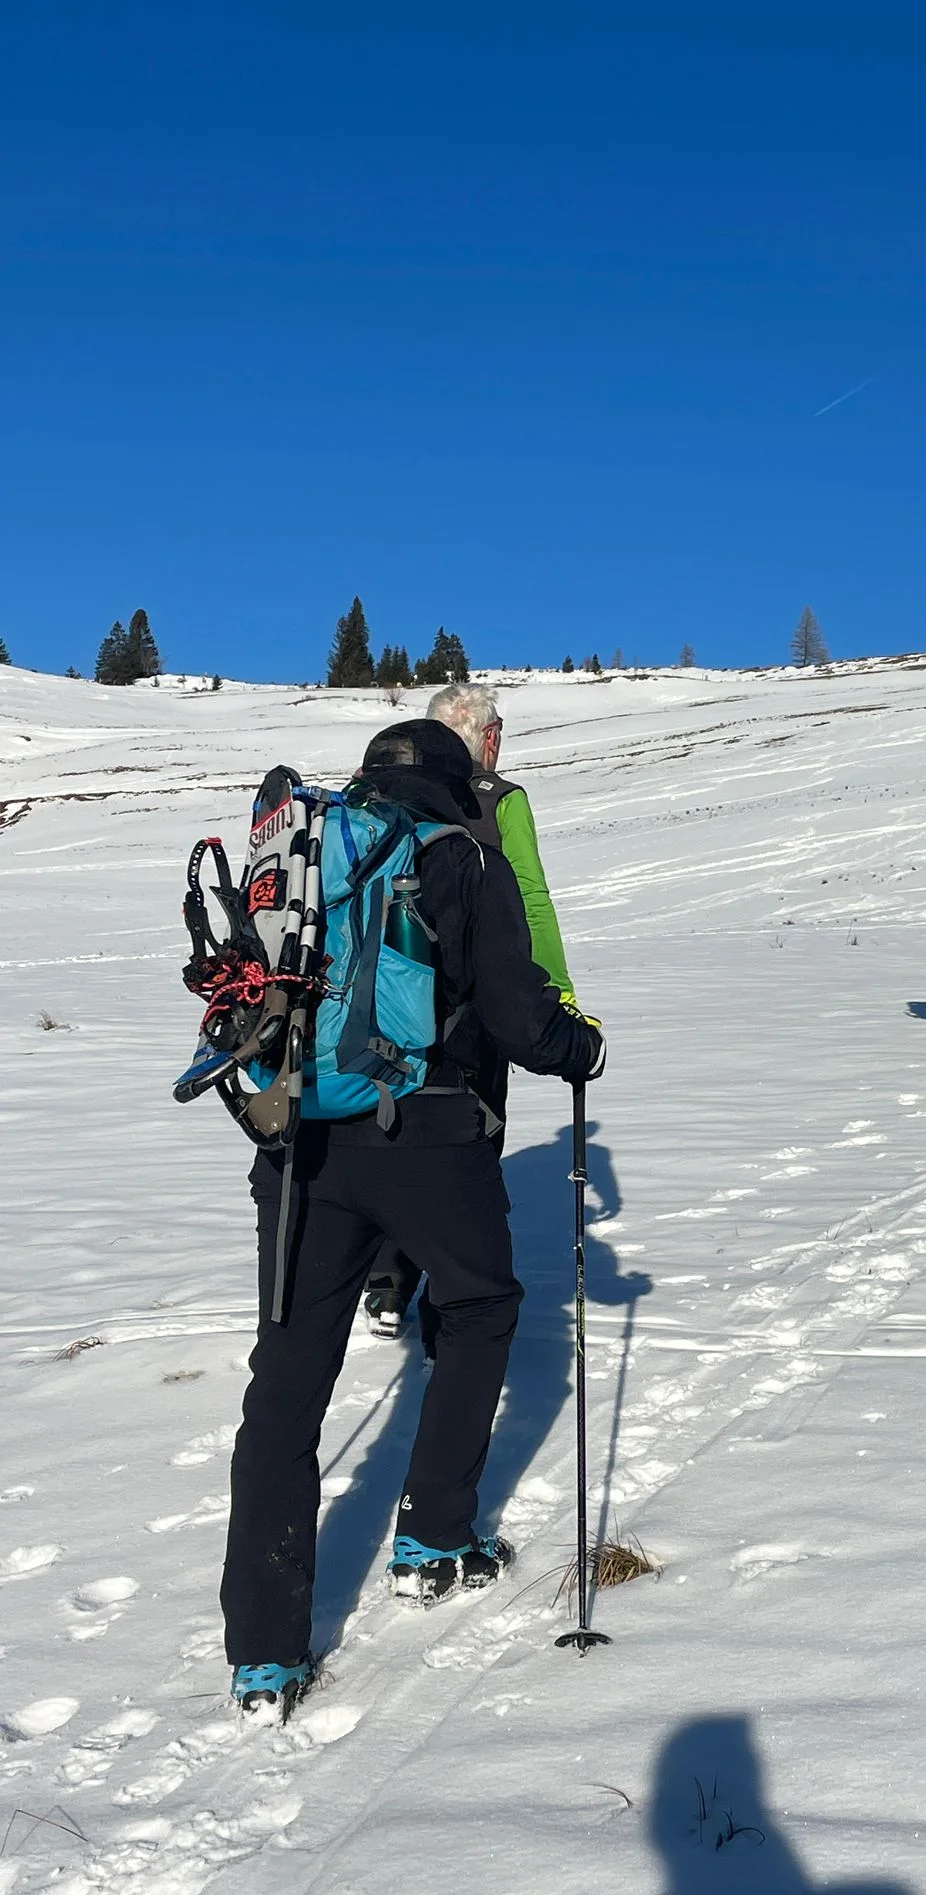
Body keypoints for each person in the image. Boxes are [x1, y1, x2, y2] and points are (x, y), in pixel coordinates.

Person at [222, 720, 603, 1720]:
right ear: (452, 780)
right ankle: (435, 1536)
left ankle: (264, 1652)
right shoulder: (460, 856)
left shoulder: (307, 853)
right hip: (424, 1134)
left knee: (288, 1381)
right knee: (480, 1305)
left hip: (296, 1140)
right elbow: (519, 1018)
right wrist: (580, 1049)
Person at [363, 679, 582, 1339]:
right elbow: (530, 897)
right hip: (475, 1005)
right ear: (489, 737)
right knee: (475, 1131)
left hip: (381, 999)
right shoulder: (500, 799)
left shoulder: (378, 793)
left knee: (386, 1121)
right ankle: (450, 1303)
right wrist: (558, 991)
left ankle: (385, 1281)